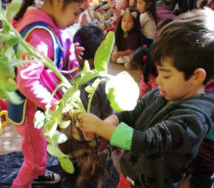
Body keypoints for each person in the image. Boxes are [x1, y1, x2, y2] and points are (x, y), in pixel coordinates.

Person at [78, 8, 214, 188]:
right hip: (131, 173)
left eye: (166, 75)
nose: (157, 81)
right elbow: (131, 114)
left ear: (196, 76)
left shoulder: (194, 118)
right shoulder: (164, 91)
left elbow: (146, 141)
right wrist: (106, 123)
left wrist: (100, 127)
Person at [7, 0, 88, 187]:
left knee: (39, 149)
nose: (76, 21)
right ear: (59, 2)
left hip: (38, 108)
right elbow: (27, 82)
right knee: (36, 160)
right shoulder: (39, 33)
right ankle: (26, 179)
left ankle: (37, 171)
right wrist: (57, 107)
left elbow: (45, 54)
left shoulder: (41, 19)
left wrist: (67, 50)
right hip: (30, 111)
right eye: (76, 13)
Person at [59, 24, 113, 187]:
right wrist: (104, 139)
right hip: (88, 140)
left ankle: (71, 177)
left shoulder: (68, 72)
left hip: (67, 133)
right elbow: (107, 114)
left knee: (70, 164)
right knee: (87, 171)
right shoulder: (102, 82)